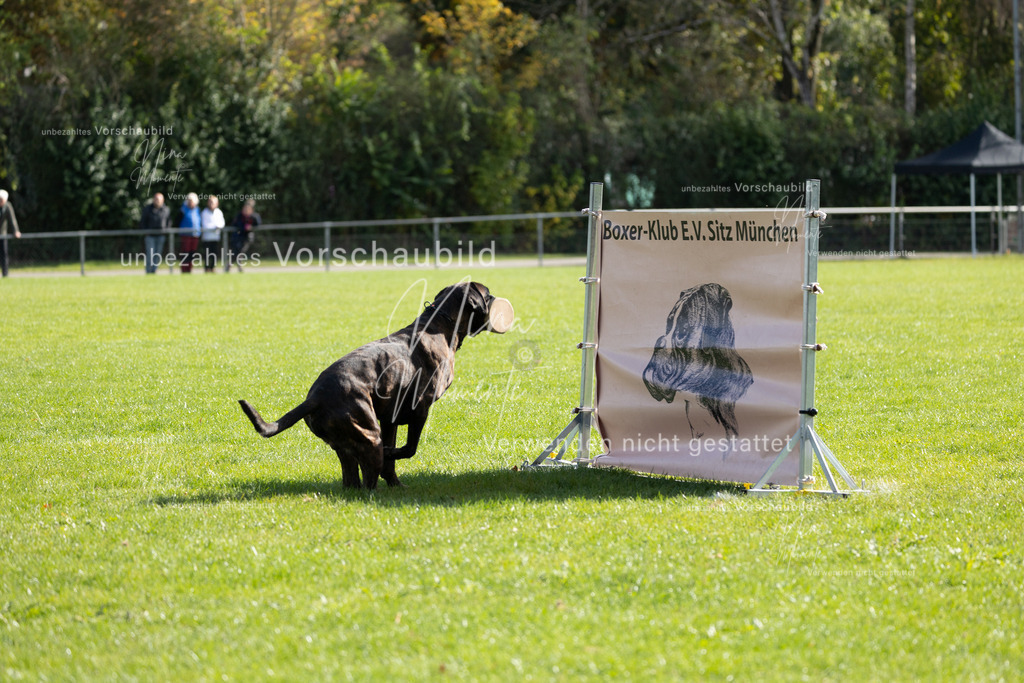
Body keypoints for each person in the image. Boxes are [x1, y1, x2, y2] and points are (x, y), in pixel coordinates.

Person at [139, 192, 170, 274]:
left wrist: (166, 230)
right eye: (156, 199)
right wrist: (146, 231)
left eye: (159, 200)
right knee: (150, 254)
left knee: (157, 255)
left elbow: (168, 222)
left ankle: (154, 270)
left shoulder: (166, 210)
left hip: (161, 236)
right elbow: (143, 222)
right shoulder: (147, 209)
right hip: (150, 236)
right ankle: (148, 271)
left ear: (162, 200)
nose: (157, 201)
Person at [226, 199, 261, 272]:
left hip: (247, 238)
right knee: (236, 252)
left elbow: (258, 223)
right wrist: (244, 227)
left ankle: (233, 266)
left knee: (241, 252)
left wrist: (250, 226)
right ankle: (231, 266)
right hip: (238, 237)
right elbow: (235, 224)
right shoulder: (240, 215)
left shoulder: (254, 216)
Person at [200, 195, 225, 273]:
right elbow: (204, 224)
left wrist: (218, 226)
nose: (211, 204)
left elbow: (222, 223)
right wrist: (214, 227)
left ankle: (213, 267)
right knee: (207, 254)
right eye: (210, 202)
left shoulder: (219, 212)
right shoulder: (204, 212)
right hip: (207, 237)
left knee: (215, 253)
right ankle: (207, 268)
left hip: (215, 237)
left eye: (213, 203)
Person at [1, 189, 23, 278]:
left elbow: (12, 220)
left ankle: (5, 274)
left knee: (4, 254)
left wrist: (16, 231)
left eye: (1, 200)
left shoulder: (7, 206)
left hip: (2, 235)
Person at [178, 192, 201, 273]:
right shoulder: (183, 210)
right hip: (185, 235)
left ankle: (190, 269)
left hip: (195, 235)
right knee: (185, 252)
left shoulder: (197, 209)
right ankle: (184, 269)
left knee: (192, 253)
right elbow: (178, 221)